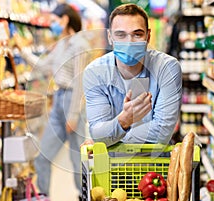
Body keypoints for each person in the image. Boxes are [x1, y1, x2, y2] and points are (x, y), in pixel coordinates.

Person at [14, 3, 91, 197]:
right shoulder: (62, 44)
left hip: (72, 101)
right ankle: (43, 196)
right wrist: (22, 51)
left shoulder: (80, 45)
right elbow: (42, 66)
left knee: (77, 160)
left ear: (65, 20)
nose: (52, 25)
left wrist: (73, 115)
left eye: (55, 21)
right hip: (58, 100)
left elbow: (80, 82)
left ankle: (85, 195)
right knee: (43, 156)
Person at [83, 3, 182, 147]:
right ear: (110, 37)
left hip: (155, 161)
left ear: (148, 37)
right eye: (120, 35)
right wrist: (125, 120)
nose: (129, 42)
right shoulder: (95, 72)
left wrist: (110, 137)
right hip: (112, 162)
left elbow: (162, 132)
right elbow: (98, 131)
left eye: (137, 34)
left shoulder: (167, 67)